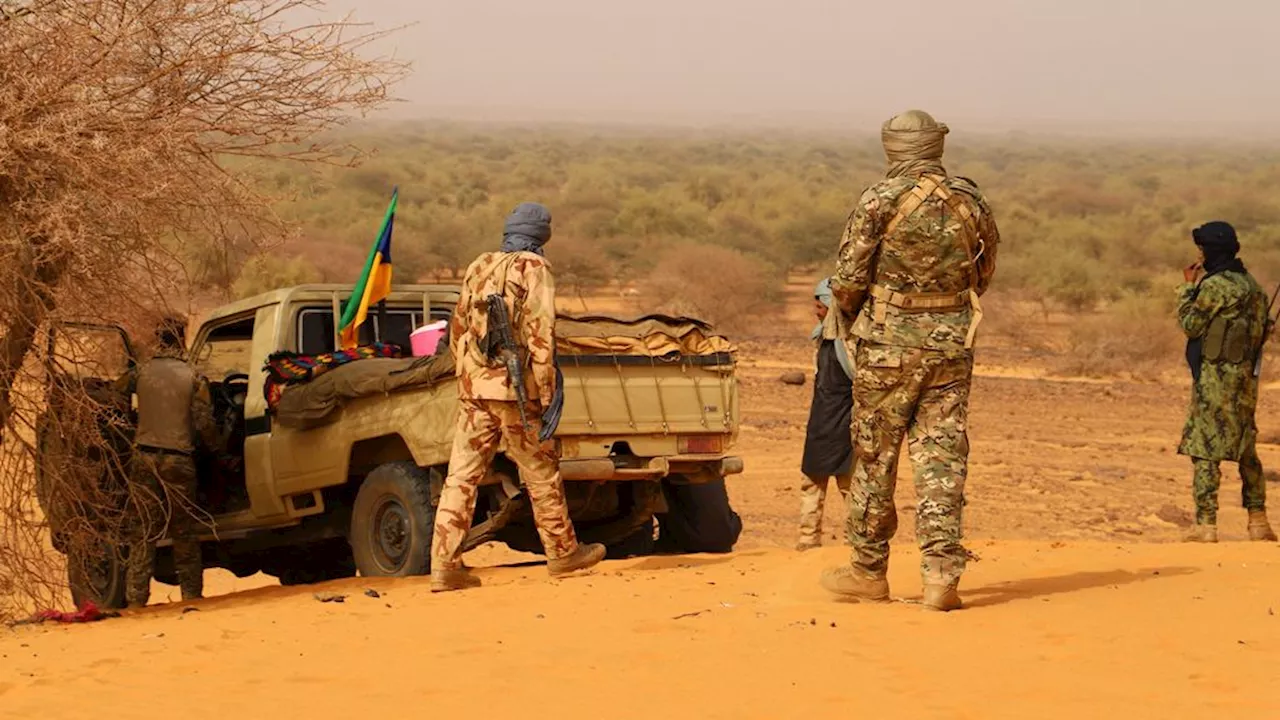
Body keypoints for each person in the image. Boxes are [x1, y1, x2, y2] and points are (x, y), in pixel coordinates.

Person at [822, 110, 999, 612]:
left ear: (892, 149)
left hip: (887, 349)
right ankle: (942, 576)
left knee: (876, 455)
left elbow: (849, 279)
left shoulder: (879, 198)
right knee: (942, 456)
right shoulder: (971, 199)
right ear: (934, 147)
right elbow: (983, 273)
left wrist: (864, 317)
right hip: (952, 345)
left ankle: (867, 570)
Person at [430, 202, 606, 592]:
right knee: (541, 472)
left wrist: (467, 381)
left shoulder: (480, 265)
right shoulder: (534, 268)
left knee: (460, 478)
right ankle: (562, 554)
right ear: (542, 236)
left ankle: (444, 565)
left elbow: (458, 329)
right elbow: (541, 335)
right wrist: (545, 395)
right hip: (512, 394)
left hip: (475, 391)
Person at [1177, 221, 1277, 543]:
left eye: (1202, 249)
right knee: (1245, 447)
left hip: (1214, 379)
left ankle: (1205, 525)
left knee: (1205, 448)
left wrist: (1188, 288)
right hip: (1246, 382)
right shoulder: (1254, 288)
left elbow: (1191, 324)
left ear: (1210, 251)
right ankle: (1258, 521)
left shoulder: (1215, 286)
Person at [127, 315, 217, 607]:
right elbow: (204, 423)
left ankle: (135, 601)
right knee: (185, 533)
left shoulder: (140, 372)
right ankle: (191, 596)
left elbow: (113, 399)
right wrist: (220, 454)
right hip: (179, 462)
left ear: (157, 338)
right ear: (182, 338)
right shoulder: (193, 376)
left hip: (144, 459)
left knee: (143, 532)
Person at [797, 277, 854, 551]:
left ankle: (856, 544)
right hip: (821, 420)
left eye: (819, 305)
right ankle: (808, 542)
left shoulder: (849, 342)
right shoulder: (823, 338)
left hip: (845, 420)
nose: (815, 311)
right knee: (812, 482)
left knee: (850, 486)